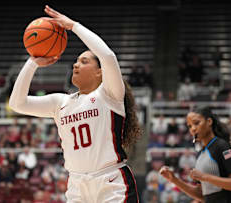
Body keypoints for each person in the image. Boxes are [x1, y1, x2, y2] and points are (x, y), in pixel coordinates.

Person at [9, 5, 141, 202]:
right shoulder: (60, 102)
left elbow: (107, 56)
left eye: (84, 61)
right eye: (76, 61)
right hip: (77, 185)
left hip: (111, 181)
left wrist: (74, 26)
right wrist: (33, 61)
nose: (75, 64)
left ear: (100, 72)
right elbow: (17, 103)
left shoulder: (110, 94)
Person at [159, 106, 231, 202]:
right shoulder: (200, 153)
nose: (193, 129)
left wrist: (204, 177)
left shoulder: (222, 146)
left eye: (196, 123)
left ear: (209, 122)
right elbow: (202, 195)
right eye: (189, 126)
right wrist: (174, 180)